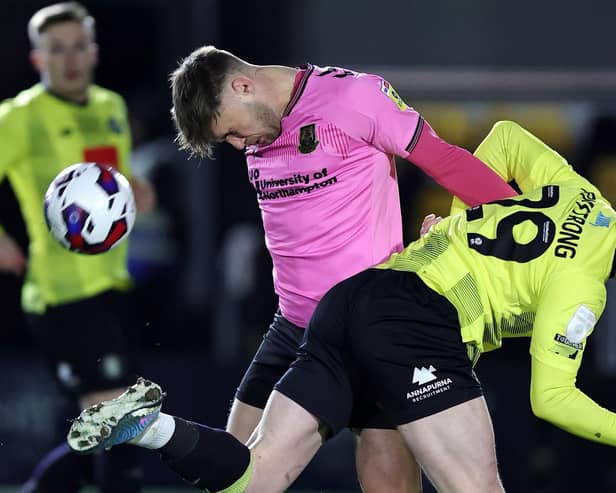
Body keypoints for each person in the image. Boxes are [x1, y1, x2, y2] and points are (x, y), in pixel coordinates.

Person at [67, 120, 616, 492]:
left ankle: (150, 428)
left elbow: (503, 138)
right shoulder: (584, 284)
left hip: (352, 298)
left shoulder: (585, 195)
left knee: (255, 481)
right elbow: (552, 399)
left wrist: (458, 225)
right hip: (418, 324)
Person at [168, 45, 517, 492]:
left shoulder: (354, 98)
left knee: (388, 481)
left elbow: (445, 160)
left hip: (369, 326)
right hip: (292, 325)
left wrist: (522, 218)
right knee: (233, 476)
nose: (238, 146)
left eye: (233, 132)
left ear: (242, 86)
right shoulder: (259, 128)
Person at [0, 3, 155, 492]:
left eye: (77, 46)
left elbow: (109, 184)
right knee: (122, 421)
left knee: (102, 436)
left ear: (93, 52)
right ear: (37, 60)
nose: (68, 59)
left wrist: (136, 190)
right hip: (61, 294)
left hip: (113, 283)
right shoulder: (20, 116)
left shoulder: (110, 107)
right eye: (56, 49)